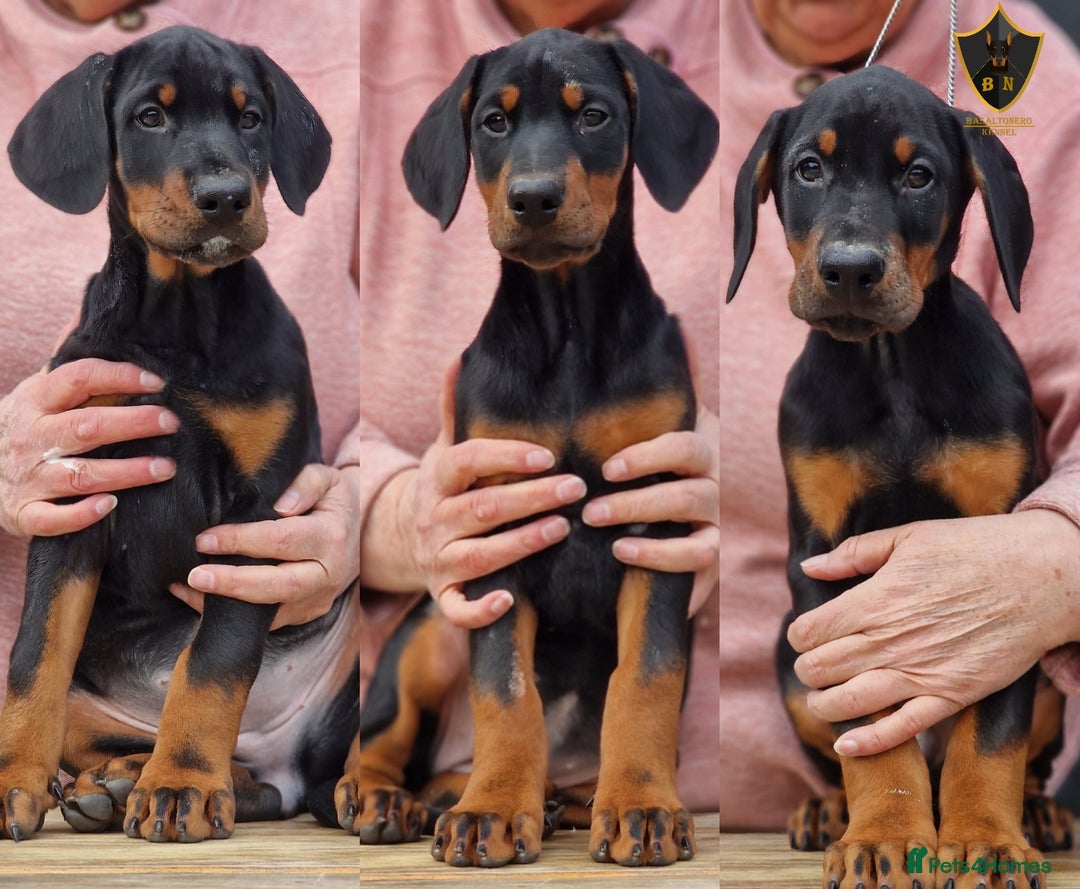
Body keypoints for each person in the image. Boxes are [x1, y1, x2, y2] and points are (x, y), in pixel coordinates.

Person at [720, 0, 1080, 830]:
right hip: (795, 786)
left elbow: (1016, 603)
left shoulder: (993, 404)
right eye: (813, 171)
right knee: (801, 637)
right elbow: (821, 606)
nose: (852, 248)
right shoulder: (811, 410)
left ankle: (1002, 802)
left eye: (916, 177)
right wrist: (884, 809)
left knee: (1034, 628)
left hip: (991, 718)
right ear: (765, 190)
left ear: (976, 201)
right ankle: (862, 806)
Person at [357, 0, 720, 813]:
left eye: (589, 116)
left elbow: (663, 559)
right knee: (450, 608)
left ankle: (626, 776)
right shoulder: (486, 381)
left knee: (658, 546)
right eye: (498, 126)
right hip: (475, 728)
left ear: (637, 135)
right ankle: (382, 765)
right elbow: (484, 577)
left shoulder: (660, 371)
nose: (534, 176)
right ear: (465, 156)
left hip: (642, 745)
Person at [0, 0, 360, 763]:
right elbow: (67, 544)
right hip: (110, 702)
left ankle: (208, 766)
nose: (221, 173)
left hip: (311, 672)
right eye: (154, 120)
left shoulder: (269, 355)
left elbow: (264, 540)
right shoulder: (95, 359)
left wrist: (374, 504)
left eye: (246, 122)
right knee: (62, 722)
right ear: (97, 144)